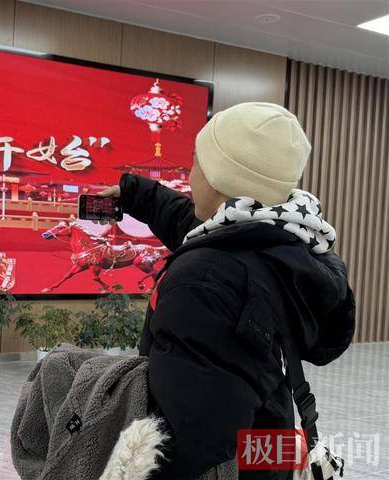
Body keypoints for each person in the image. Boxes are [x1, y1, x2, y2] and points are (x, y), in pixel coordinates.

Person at [99, 102, 355, 479]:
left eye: (196, 162)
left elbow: (186, 441)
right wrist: (135, 193)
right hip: (266, 446)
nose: (190, 177)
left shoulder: (205, 281)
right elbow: (190, 223)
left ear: (220, 178)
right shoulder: (276, 242)